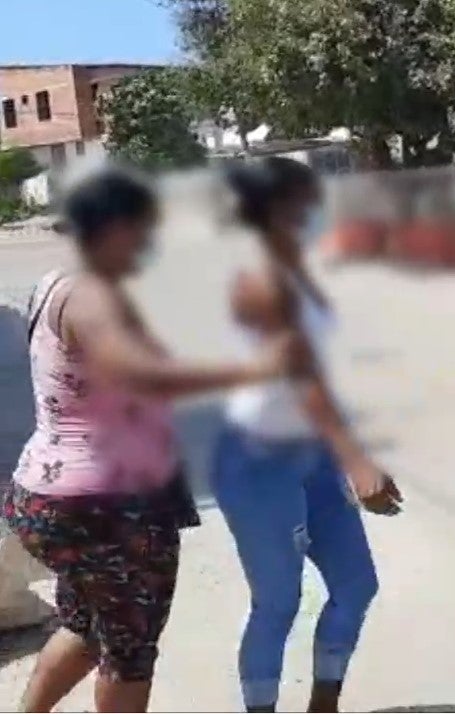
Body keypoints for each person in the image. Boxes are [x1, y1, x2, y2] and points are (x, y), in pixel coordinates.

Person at [3, 167, 301, 713]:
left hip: (52, 495)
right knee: (129, 651)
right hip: (107, 507)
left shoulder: (57, 283)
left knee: (87, 625)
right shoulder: (96, 296)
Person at [211, 157, 403, 713]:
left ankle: (324, 705)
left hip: (314, 454)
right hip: (256, 460)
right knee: (277, 604)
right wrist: (357, 459)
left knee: (355, 585)